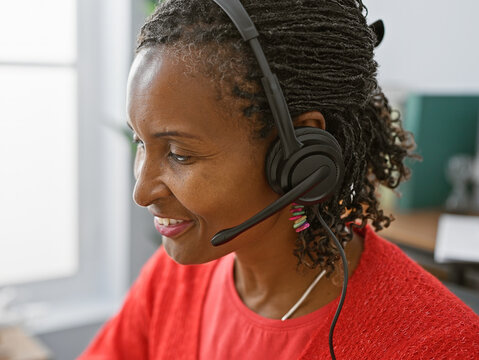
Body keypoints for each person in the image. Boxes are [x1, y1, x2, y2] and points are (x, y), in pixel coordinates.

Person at [80, 0, 479, 359]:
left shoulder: (439, 347)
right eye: (139, 141)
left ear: (297, 154)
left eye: (180, 154)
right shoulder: (173, 279)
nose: (141, 190)